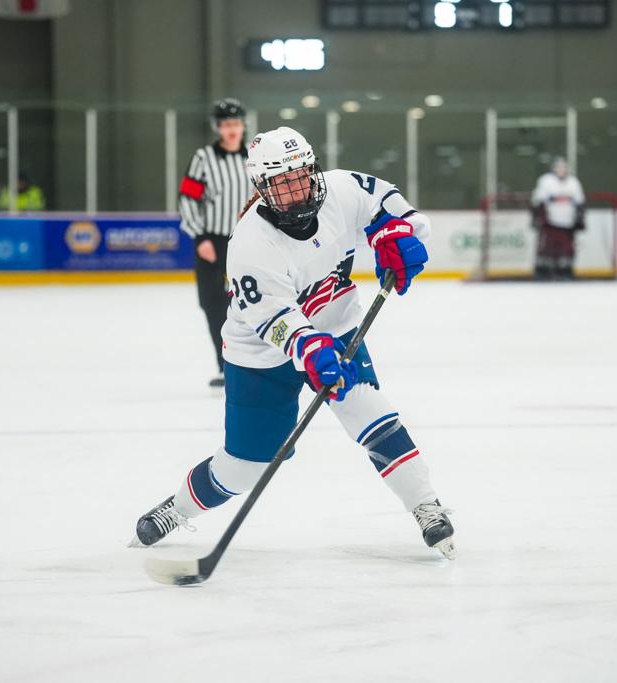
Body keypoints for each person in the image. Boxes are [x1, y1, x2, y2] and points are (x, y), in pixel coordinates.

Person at [129, 126, 456, 559]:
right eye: (282, 182)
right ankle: (178, 507)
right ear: (262, 188)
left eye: (301, 175)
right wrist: (310, 349)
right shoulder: (251, 244)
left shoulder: (342, 189)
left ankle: (426, 506)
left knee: (372, 414)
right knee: (246, 466)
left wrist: (397, 235)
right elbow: (274, 319)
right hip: (260, 353)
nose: (296, 189)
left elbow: (394, 208)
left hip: (335, 327)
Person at [178, 98, 256, 388]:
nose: (231, 129)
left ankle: (253, 363)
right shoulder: (203, 158)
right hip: (211, 241)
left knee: (251, 301)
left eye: (235, 123)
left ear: (243, 125)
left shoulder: (254, 158)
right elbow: (188, 198)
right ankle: (225, 365)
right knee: (211, 302)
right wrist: (200, 236)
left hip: (246, 241)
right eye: (226, 124)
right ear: (217, 128)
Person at [530, 157, 586, 280]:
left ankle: (566, 270)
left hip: (568, 223)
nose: (561, 170)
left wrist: (580, 218)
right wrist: (537, 218)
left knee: (568, 248)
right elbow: (538, 201)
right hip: (550, 223)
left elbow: (580, 202)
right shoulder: (546, 181)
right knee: (547, 248)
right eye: (558, 167)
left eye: (563, 167)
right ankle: (543, 271)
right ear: (553, 169)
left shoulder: (573, 182)